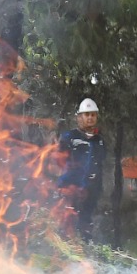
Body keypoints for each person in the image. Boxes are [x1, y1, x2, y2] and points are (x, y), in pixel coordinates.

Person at [56, 97, 106, 241]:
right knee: (68, 221)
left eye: (93, 114)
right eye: (87, 114)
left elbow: (99, 162)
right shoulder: (69, 137)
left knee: (86, 221)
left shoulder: (99, 140)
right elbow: (59, 159)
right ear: (79, 117)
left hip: (91, 189)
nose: (90, 118)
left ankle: (85, 251)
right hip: (72, 187)